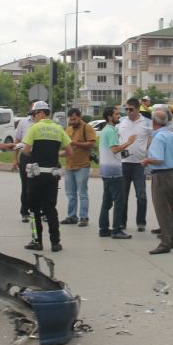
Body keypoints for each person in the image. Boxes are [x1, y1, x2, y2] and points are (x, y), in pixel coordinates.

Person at [21, 101, 72, 252]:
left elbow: (25, 150)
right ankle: (55, 242)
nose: (34, 118)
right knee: (51, 209)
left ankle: (37, 241)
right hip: (52, 175)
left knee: (34, 209)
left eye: (34, 114)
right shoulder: (58, 129)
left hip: (36, 175)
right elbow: (70, 152)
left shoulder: (34, 128)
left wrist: (36, 154)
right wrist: (54, 154)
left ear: (41, 113)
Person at [141, 108, 173, 254]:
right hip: (172, 173)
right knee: (169, 208)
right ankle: (172, 238)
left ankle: (165, 242)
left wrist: (146, 160)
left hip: (161, 175)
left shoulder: (158, 137)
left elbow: (158, 159)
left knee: (162, 210)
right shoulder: (171, 135)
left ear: (153, 122)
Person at [97, 106, 136, 239]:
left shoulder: (105, 130)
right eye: (116, 114)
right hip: (114, 172)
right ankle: (116, 229)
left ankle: (103, 229)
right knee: (119, 201)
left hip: (106, 171)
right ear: (109, 117)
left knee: (106, 201)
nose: (119, 116)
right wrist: (128, 143)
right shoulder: (111, 131)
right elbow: (114, 149)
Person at [116, 97, 152, 232]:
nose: (128, 112)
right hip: (123, 164)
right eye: (126, 109)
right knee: (123, 195)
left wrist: (145, 150)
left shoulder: (147, 123)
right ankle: (122, 223)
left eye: (131, 109)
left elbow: (152, 137)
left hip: (139, 164)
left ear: (137, 109)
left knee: (141, 195)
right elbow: (116, 138)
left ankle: (141, 222)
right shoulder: (121, 122)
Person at [61, 107, 96, 227]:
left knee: (82, 193)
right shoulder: (68, 129)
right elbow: (66, 148)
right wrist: (56, 154)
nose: (72, 121)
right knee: (70, 194)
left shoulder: (87, 127)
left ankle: (84, 217)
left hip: (82, 165)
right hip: (69, 166)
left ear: (79, 117)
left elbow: (91, 143)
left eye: (74, 119)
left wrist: (76, 143)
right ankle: (72, 216)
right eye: (70, 119)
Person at [12, 105, 36, 223]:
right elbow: (17, 141)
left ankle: (39, 211)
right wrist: (15, 158)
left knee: (39, 186)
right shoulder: (23, 122)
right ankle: (25, 212)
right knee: (26, 186)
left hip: (39, 158)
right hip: (26, 157)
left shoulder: (44, 124)